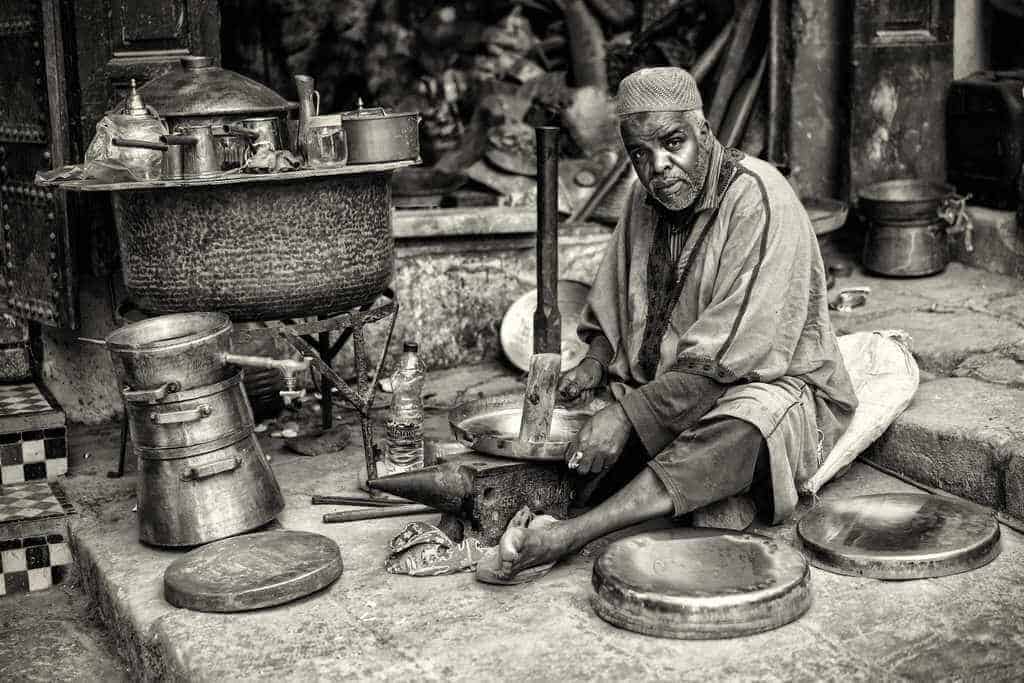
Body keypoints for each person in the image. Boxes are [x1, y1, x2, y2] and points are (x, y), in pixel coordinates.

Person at [495, 66, 858, 580]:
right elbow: (614, 303)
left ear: (704, 132)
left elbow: (727, 364)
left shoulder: (758, 198)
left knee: (745, 425)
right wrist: (596, 365)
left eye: (672, 142)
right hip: (669, 389)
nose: (658, 165)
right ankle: (586, 497)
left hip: (770, 383)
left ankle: (572, 534)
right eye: (640, 154)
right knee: (589, 432)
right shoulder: (646, 201)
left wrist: (626, 418)